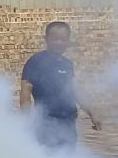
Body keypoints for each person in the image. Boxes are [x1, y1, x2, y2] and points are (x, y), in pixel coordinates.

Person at [20, 21, 101, 149]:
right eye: (54, 39)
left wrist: (92, 114)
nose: (59, 43)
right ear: (46, 39)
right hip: (46, 124)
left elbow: (74, 91)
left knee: (67, 157)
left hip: (68, 123)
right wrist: (27, 120)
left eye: (63, 39)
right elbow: (26, 92)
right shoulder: (36, 61)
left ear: (68, 41)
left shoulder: (67, 64)